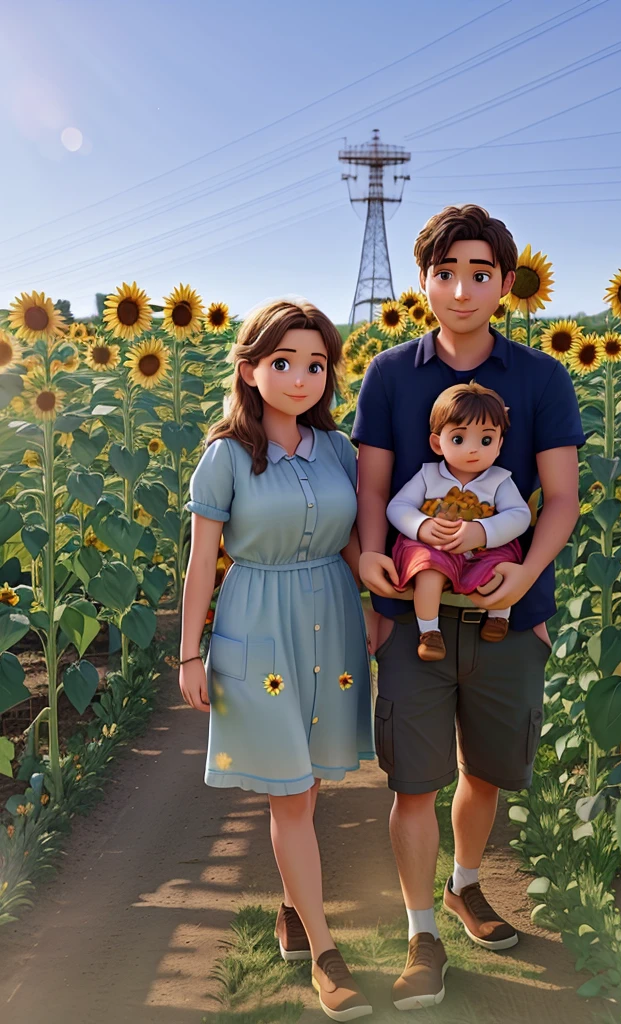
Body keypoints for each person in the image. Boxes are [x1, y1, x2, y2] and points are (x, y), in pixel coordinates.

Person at [352, 204, 585, 1011]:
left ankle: (464, 884)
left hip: (508, 614)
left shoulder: (541, 377)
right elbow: (374, 492)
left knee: (485, 770)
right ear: (422, 282)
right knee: (413, 780)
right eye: (445, 274)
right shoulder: (390, 375)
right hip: (413, 611)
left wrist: (527, 581)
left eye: (479, 274)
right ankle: (423, 934)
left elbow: (558, 498)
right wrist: (368, 570)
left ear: (505, 284)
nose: (461, 290)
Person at [179, 299, 374, 1021]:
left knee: (313, 779)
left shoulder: (340, 449)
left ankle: (294, 911)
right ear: (251, 368)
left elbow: (355, 536)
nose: (300, 378)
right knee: (289, 792)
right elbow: (203, 562)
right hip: (256, 624)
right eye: (283, 362)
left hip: (331, 618)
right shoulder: (226, 456)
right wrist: (189, 652)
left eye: (315, 364)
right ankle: (325, 951)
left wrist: (382, 604)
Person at [387, 381, 531, 659]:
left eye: (486, 440)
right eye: (458, 439)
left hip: (485, 550)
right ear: (436, 443)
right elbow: (398, 506)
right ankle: (429, 632)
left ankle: (499, 615)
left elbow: (519, 515)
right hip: (435, 547)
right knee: (427, 574)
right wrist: (422, 526)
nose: (473, 449)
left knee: (501, 572)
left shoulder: (499, 480)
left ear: (500, 445)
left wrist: (483, 531)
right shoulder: (429, 475)